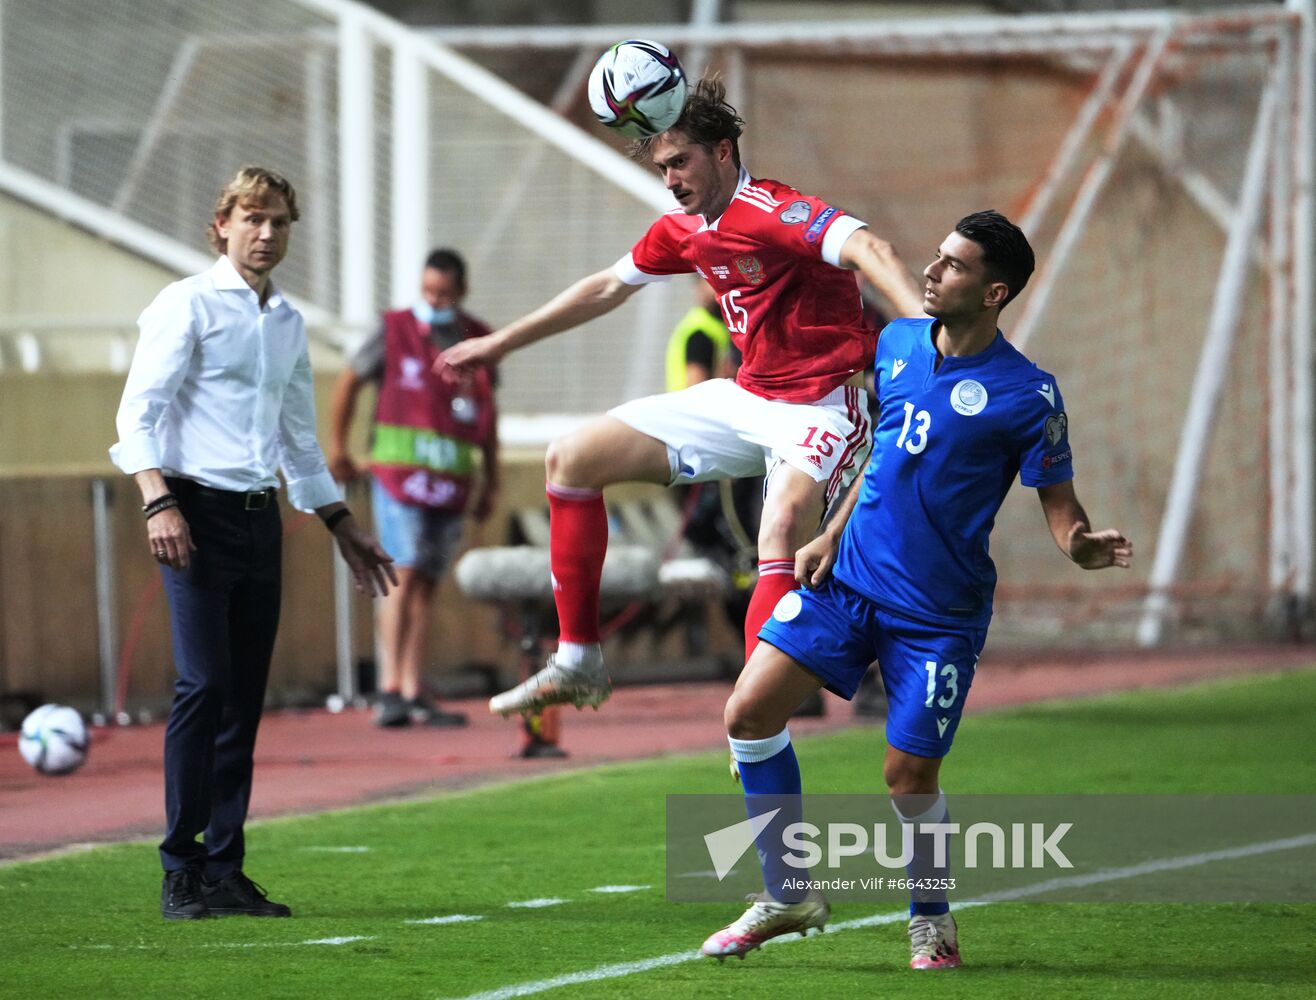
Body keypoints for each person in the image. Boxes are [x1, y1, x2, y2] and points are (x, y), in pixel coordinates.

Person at [698, 211, 1133, 969]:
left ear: (994, 292)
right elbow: (887, 448)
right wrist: (830, 532)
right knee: (748, 710)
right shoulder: (897, 344)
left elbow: (1062, 513)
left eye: (955, 266)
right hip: (850, 579)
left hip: (936, 616)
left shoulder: (1029, 395)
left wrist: (1083, 548)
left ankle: (930, 916)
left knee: (908, 778)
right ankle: (785, 889)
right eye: (936, 258)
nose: (932, 272)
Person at [442, 79, 926, 718]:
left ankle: (756, 718)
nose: (669, 179)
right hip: (746, 395)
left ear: (723, 151)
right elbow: (604, 289)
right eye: (660, 166)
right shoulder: (685, 230)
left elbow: (871, 249)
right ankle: (579, 660)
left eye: (680, 162)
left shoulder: (775, 210)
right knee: (571, 459)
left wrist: (927, 335)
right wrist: (501, 342)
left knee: (777, 527)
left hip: (822, 405)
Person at [110, 166, 397, 921]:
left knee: (241, 699)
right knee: (202, 685)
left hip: (258, 516)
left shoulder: (287, 323)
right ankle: (180, 869)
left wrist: (341, 524)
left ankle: (225, 869)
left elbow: (299, 441)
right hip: (191, 513)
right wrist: (158, 503)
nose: (267, 234)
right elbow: (136, 418)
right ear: (222, 225)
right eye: (253, 219)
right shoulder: (186, 305)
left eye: (278, 222)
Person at [328, 248, 498, 728]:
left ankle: (411, 684)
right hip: (400, 477)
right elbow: (349, 383)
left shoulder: (477, 336)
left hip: (451, 483)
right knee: (402, 573)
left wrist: (491, 478)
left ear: (460, 293)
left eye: (443, 294)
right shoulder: (394, 329)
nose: (434, 300)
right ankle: (390, 688)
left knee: (425, 581)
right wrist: (339, 447)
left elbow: (488, 415)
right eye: (428, 292)